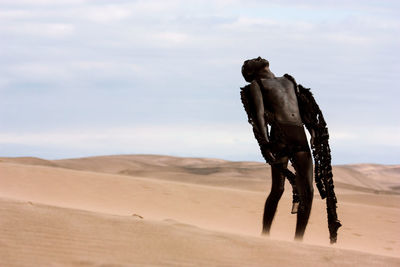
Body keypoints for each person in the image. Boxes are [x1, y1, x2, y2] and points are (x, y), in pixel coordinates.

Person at [241, 57, 315, 241]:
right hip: (280, 135)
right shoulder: (257, 85)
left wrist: (313, 131)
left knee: (308, 191)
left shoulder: (289, 80)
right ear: (251, 72)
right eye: (250, 61)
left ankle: (299, 240)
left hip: (299, 133)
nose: (256, 57)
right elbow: (258, 114)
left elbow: (304, 107)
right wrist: (265, 143)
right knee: (278, 188)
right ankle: (265, 234)